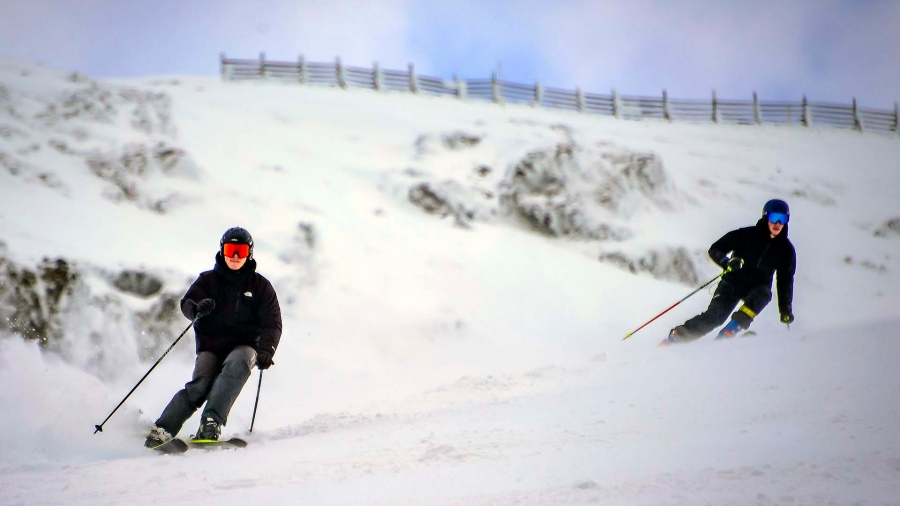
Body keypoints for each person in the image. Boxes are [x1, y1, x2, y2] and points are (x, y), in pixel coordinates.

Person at [145, 227, 282, 447]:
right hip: (211, 347)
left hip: (244, 346)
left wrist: (267, 350)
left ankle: (210, 423)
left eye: (240, 250)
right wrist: (196, 309)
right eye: (230, 250)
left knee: (239, 362)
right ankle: (162, 429)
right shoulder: (208, 281)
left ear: (250, 253)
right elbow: (187, 303)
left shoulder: (261, 287)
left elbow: (272, 323)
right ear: (222, 250)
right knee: (201, 387)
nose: (235, 256)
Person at [664, 199, 796, 344]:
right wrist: (726, 263)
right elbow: (715, 249)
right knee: (715, 317)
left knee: (764, 294)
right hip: (732, 284)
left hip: (757, 288)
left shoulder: (786, 250)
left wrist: (785, 310)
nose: (777, 223)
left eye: (782, 219)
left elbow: (785, 281)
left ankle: (731, 331)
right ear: (765, 217)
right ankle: (677, 338)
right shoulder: (746, 235)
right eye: (774, 217)